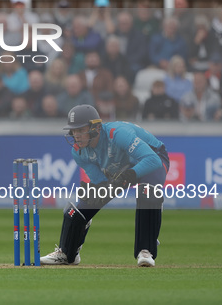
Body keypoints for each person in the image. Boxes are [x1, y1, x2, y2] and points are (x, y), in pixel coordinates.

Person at [40, 104, 169, 267]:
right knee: (87, 202)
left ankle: (146, 250)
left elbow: (152, 160)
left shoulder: (118, 134)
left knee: (148, 192)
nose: (76, 136)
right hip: (120, 169)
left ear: (96, 128)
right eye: (74, 131)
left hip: (151, 158)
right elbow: (101, 182)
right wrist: (98, 190)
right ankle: (67, 252)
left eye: (81, 130)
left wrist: (129, 175)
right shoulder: (78, 151)